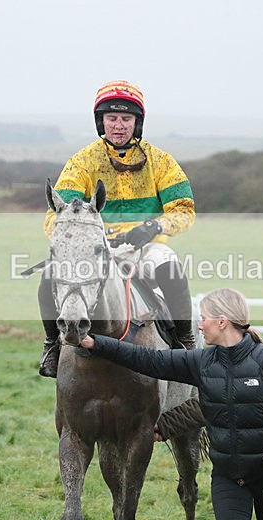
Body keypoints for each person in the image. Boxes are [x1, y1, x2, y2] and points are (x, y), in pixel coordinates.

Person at [79, 288, 263, 520]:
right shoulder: (202, 362)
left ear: (222, 321)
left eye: (204, 318)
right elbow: (148, 360)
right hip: (229, 478)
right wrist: (95, 343)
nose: (199, 326)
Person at [38, 79, 196, 378]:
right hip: (96, 248)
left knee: (170, 267)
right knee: (49, 275)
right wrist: (84, 241)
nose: (119, 125)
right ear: (102, 122)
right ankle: (52, 346)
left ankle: (184, 341)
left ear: (137, 123)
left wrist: (155, 225)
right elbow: (57, 216)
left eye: (126, 119)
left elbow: (185, 210)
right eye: (112, 118)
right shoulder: (82, 162)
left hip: (146, 246)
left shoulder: (161, 161)